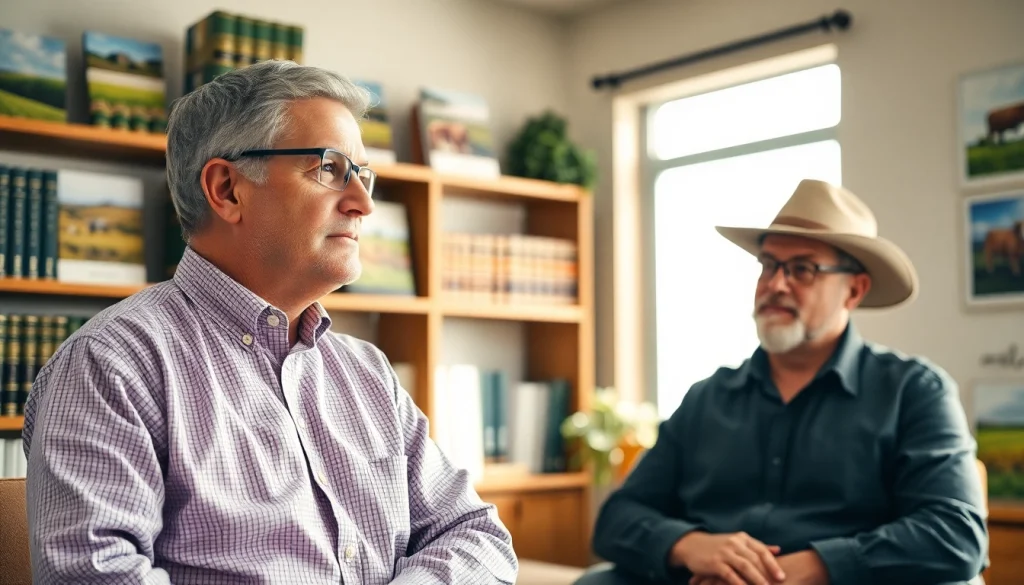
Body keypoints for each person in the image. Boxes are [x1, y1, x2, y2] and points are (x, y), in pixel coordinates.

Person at [22, 60, 517, 585]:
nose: (364, 204)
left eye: (363, 175)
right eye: (329, 169)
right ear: (228, 189)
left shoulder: (368, 374)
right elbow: (96, 576)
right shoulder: (111, 365)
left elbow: (475, 535)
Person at [581, 179, 988, 585]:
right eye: (768, 265)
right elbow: (617, 519)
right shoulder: (708, 397)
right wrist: (691, 546)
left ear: (854, 290)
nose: (775, 284)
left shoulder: (914, 391)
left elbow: (956, 534)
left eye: (802, 269)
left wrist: (807, 569)